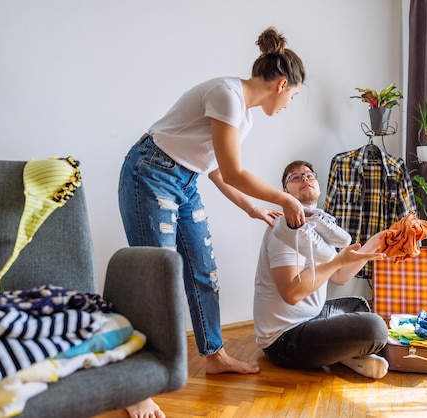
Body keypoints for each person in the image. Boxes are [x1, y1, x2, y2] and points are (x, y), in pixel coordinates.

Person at [117, 26, 307, 418]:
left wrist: (250, 208)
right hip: (150, 173)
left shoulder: (244, 115)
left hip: (183, 181)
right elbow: (235, 171)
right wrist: (284, 196)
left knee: (204, 269)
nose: (290, 103)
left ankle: (215, 355)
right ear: (282, 84)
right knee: (156, 277)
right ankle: (138, 385)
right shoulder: (227, 94)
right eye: (294, 96)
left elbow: (218, 172)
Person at [253, 160, 391, 379]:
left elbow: (339, 276)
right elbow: (291, 293)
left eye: (309, 175)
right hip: (283, 340)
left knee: (359, 304)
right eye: (295, 178)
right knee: (374, 327)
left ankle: (343, 356)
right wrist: (337, 261)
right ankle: (346, 356)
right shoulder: (285, 230)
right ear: (284, 192)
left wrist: (376, 241)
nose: (305, 179)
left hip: (312, 318)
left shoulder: (319, 227)